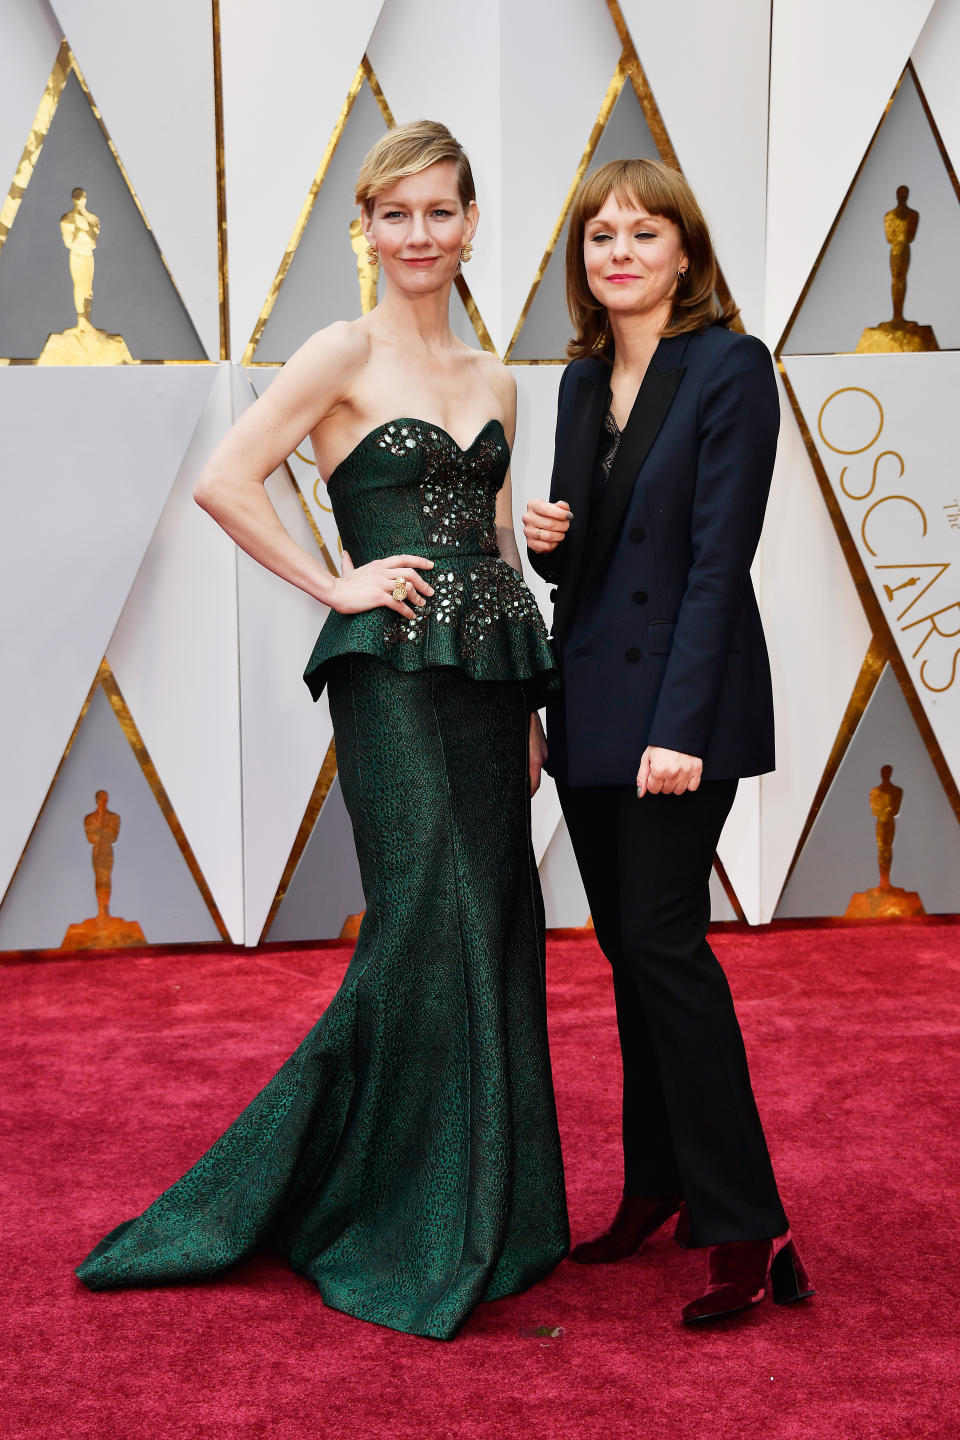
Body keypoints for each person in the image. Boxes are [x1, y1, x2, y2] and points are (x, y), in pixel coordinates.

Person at [76, 120, 568, 1340]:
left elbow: (499, 543)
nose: (419, 235)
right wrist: (335, 580)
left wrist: (534, 712)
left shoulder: (496, 375)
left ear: (468, 225)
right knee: (426, 923)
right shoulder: (338, 350)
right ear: (366, 226)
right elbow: (227, 479)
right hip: (393, 672)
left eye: (441, 212)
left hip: (496, 672)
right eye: (395, 214)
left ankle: (483, 1205)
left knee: (498, 921)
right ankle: (340, 1201)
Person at [523, 158, 813, 1325]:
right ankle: (660, 1183)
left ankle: (751, 1224)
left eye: (646, 233)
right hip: (590, 711)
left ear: (685, 253)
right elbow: (583, 574)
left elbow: (712, 560)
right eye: (601, 235)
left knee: (663, 944)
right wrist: (549, 540)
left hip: (680, 713)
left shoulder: (730, 368)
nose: (622, 252)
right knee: (628, 956)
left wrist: (679, 730)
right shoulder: (581, 382)